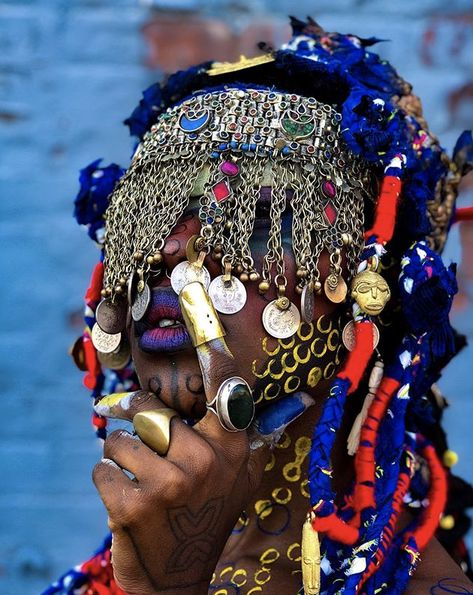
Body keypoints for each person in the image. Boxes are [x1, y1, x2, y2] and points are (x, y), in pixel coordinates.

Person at [45, 18, 473, 595]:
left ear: (366, 290)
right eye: (151, 215)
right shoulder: (131, 547)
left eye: (260, 224)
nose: (169, 252)